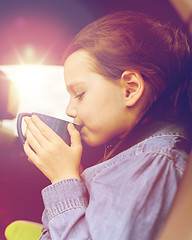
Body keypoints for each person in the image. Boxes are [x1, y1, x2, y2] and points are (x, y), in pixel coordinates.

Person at [22, 11, 192, 240]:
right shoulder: (133, 156)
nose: (69, 110)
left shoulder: (154, 161)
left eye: (79, 94)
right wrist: (77, 179)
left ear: (129, 89)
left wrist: (64, 178)